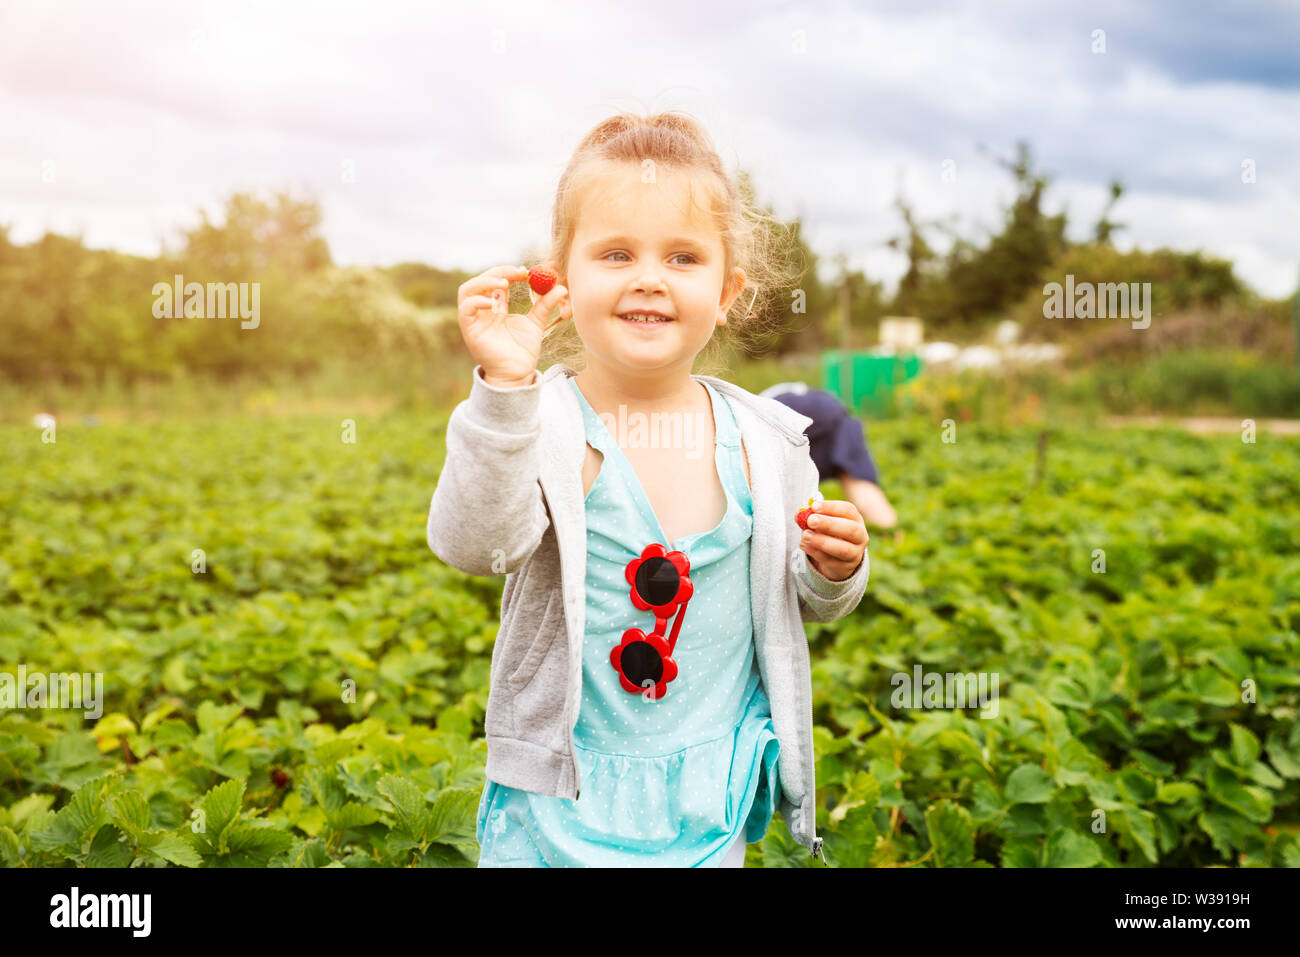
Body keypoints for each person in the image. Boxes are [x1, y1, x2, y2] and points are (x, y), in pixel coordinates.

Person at [428, 111, 870, 868]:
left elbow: (801, 597)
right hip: (557, 803)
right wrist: (504, 389)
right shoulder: (542, 423)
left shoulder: (770, 444)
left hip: (704, 803)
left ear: (726, 290)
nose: (649, 278)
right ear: (562, 280)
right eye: (616, 252)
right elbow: (475, 546)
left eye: (683, 257)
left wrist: (836, 569)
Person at [759, 382, 899, 530]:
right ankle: (891, 532)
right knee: (860, 484)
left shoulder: (756, 412)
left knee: (779, 503)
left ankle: (888, 531)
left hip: (783, 419)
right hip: (834, 412)